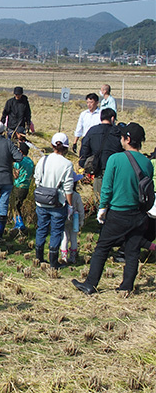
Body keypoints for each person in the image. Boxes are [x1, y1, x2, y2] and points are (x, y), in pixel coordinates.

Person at [72, 123, 156, 295]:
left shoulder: (115, 159)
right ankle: (126, 287)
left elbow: (107, 187)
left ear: (128, 139)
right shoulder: (148, 163)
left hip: (118, 212)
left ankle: (90, 284)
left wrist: (102, 208)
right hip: (139, 214)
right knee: (132, 252)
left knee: (102, 248)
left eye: (122, 137)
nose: (120, 140)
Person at [34, 133, 74, 269]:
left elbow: (37, 178)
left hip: (41, 201)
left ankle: (38, 257)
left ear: (52, 145)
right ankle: (53, 262)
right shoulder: (67, 164)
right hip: (58, 203)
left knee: (41, 228)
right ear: (66, 147)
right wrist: (70, 205)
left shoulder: (43, 160)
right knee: (56, 231)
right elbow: (68, 188)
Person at [78, 108, 122, 196]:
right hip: (114, 170)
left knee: (98, 197)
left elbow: (85, 147)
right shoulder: (118, 132)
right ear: (112, 118)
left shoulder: (92, 130)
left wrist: (83, 163)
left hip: (97, 168)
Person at [60, 173, 85, 264]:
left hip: (63, 219)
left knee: (64, 238)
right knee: (74, 238)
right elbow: (81, 209)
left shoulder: (62, 194)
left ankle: (64, 257)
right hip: (75, 219)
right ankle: (73, 257)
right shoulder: (76, 196)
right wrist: (81, 220)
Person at [11, 142, 34, 232]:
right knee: (19, 205)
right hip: (26, 187)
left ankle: (19, 224)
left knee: (15, 206)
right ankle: (19, 224)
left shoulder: (19, 161)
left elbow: (16, 175)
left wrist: (12, 168)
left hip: (18, 186)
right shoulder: (30, 161)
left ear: (20, 151)